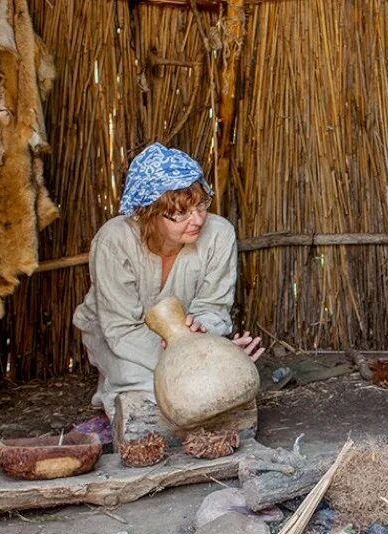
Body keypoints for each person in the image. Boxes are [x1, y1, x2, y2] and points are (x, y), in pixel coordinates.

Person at [73, 143, 264, 419]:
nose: (197, 219)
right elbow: (121, 330)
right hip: (119, 337)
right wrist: (197, 358)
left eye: (200, 205)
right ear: (149, 213)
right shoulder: (114, 242)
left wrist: (210, 346)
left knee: (207, 383)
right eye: (181, 212)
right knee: (143, 380)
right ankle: (114, 395)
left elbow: (213, 308)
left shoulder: (220, 234)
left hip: (187, 339)